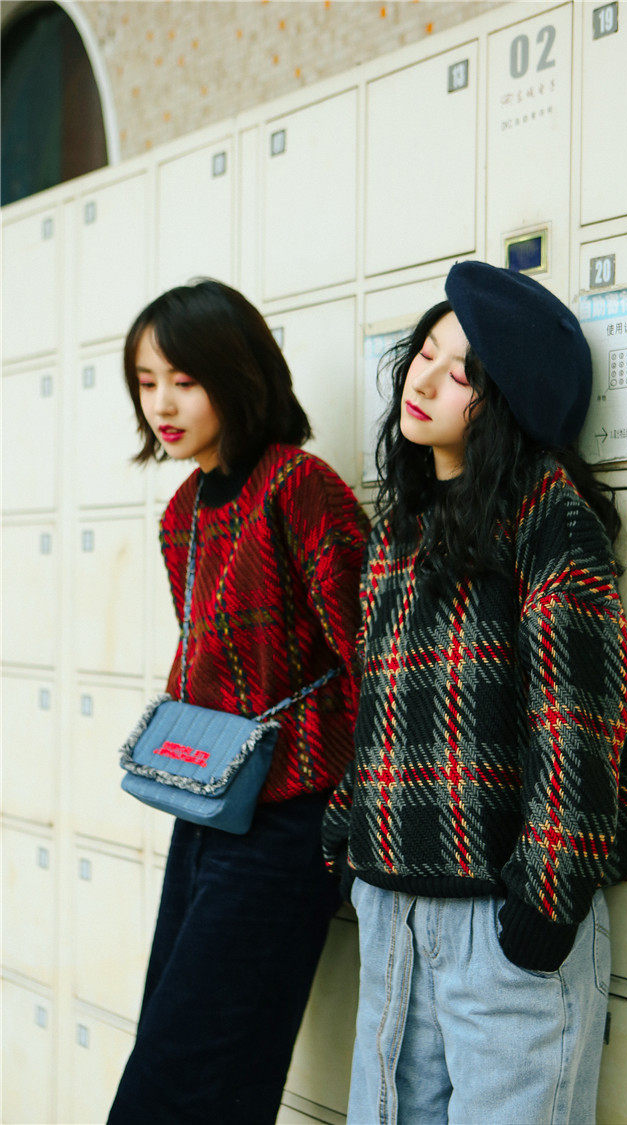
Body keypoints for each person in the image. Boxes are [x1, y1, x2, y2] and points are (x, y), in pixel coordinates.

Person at [322, 261, 627, 1124]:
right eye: (426, 352)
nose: (425, 379)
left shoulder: (550, 515)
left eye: (462, 372)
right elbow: (379, 703)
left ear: (508, 400)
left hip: (500, 920)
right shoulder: (403, 524)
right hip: (395, 904)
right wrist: (347, 833)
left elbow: (579, 722)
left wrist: (545, 900)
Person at [108, 278, 369, 1125]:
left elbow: (369, 659)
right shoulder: (181, 513)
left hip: (290, 822)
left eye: (184, 380)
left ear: (238, 375)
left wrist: (357, 819)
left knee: (185, 1079)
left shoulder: (300, 486)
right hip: (211, 803)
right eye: (147, 382)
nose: (161, 404)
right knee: (188, 1061)